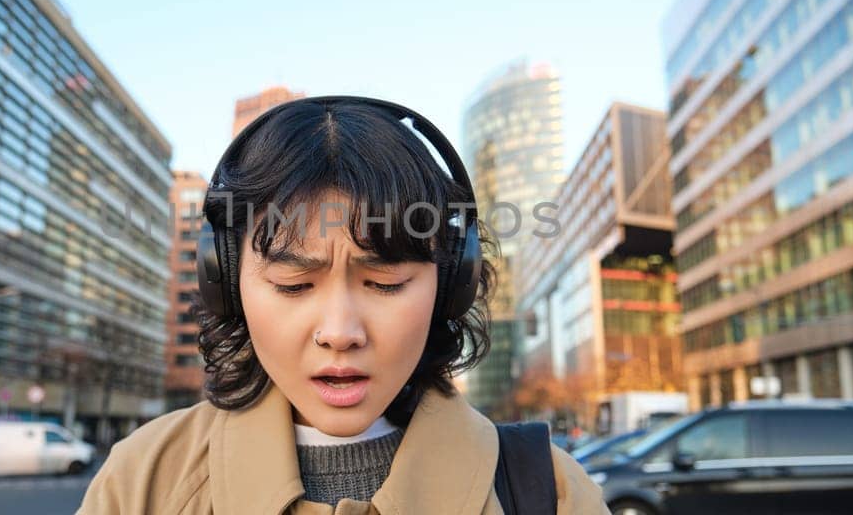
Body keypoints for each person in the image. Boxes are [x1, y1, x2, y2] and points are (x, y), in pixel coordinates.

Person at [80, 97, 606, 514]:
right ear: (226, 283)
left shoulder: (551, 492)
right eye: (292, 285)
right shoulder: (143, 480)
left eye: (385, 282)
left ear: (452, 284)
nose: (339, 332)